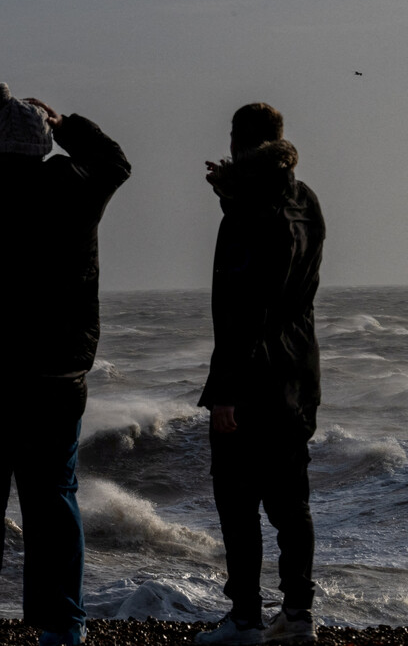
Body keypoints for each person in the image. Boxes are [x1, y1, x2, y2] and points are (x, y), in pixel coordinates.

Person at [0, 83, 130, 646]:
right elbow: (115, 161)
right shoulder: (74, 186)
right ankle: (62, 626)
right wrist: (64, 122)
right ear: (44, 146)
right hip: (55, 377)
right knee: (53, 501)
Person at [194, 103, 325, 645]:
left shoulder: (249, 214)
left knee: (238, 503)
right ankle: (297, 615)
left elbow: (242, 309)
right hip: (298, 373)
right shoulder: (304, 199)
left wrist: (223, 391)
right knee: (292, 505)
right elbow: (285, 275)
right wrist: (234, 192)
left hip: (252, 378)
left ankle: (245, 618)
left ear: (237, 144)